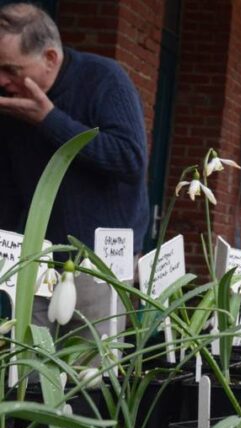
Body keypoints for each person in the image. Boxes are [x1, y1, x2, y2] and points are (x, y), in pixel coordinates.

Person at [0, 3, 148, 338]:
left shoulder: (104, 79)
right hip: (36, 255)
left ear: (50, 58)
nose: (3, 80)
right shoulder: (9, 100)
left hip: (99, 261)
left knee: (88, 375)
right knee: (29, 371)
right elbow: (7, 184)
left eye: (11, 69)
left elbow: (129, 159)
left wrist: (49, 120)